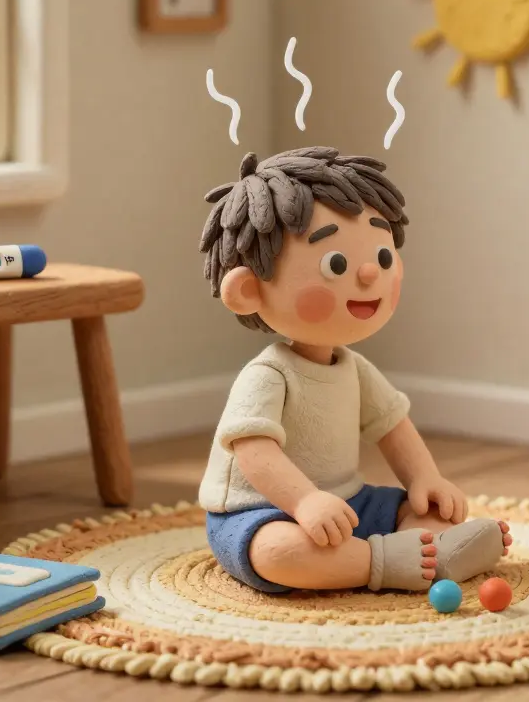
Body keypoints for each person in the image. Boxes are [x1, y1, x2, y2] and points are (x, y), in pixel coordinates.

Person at [199, 147, 511, 594]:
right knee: (278, 552)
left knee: (426, 510)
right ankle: (382, 562)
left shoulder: (353, 367)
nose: (368, 274)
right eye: (337, 265)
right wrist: (305, 501)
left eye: (383, 259)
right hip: (260, 511)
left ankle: (428, 549)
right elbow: (254, 452)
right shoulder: (268, 374)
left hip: (347, 503)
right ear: (249, 290)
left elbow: (392, 426)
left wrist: (424, 478)